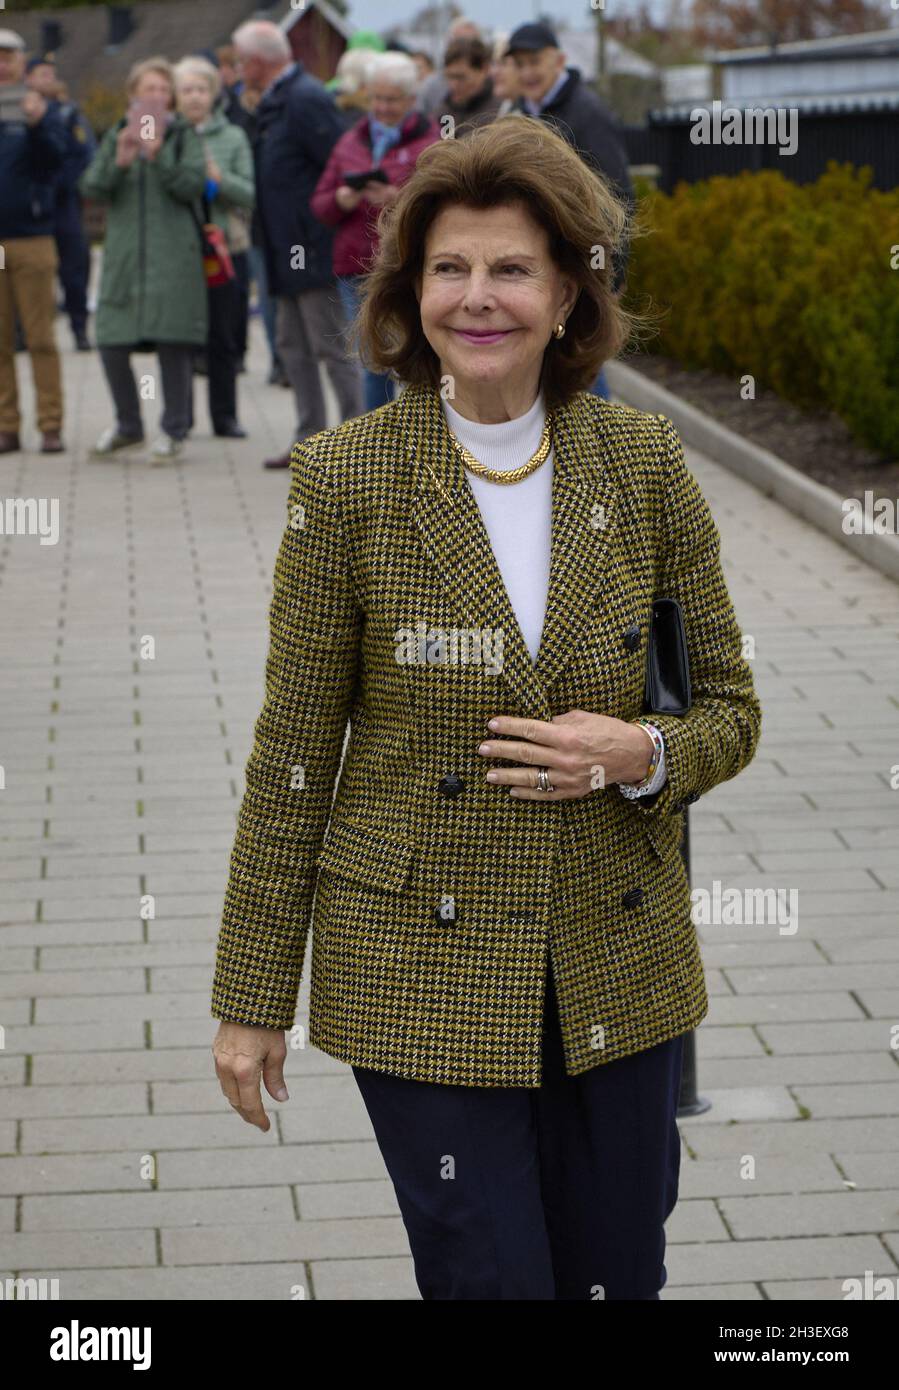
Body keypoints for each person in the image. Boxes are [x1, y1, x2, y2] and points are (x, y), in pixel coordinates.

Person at [210, 119, 762, 1301]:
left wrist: (640, 751)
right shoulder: (344, 479)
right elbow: (293, 758)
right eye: (448, 268)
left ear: (568, 292)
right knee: (489, 1278)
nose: (477, 298)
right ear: (411, 292)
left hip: (615, 966)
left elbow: (727, 705)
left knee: (617, 1275)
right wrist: (252, 999)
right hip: (421, 966)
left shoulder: (644, 461)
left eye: (510, 268)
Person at [232, 20, 363, 470]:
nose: (235, 68)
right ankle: (310, 437)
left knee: (329, 344)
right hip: (281, 246)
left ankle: (354, 442)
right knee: (291, 344)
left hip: (311, 247)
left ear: (256, 61)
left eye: (239, 59)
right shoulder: (273, 101)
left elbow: (340, 163)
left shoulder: (305, 98)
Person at [80, 56, 208, 462]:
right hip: (125, 259)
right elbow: (91, 187)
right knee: (111, 340)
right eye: (148, 89)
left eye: (162, 90)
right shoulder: (118, 132)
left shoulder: (184, 135)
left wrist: (158, 155)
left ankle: (173, 429)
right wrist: (118, 163)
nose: (156, 96)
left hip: (173, 258)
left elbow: (193, 186)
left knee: (174, 342)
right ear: (133, 94)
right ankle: (128, 425)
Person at [506, 21, 636, 402]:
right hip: (542, 260)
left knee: (578, 361)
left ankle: (601, 446)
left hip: (581, 262)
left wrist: (614, 272)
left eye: (535, 61)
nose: (527, 72)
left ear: (559, 60)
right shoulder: (521, 111)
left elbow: (618, 195)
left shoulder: (586, 112)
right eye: (519, 63)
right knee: (555, 362)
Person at [311, 52, 439, 412]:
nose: (381, 107)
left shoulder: (431, 144)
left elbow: (444, 209)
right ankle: (373, 447)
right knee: (373, 362)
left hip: (411, 266)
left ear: (412, 101)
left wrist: (398, 200)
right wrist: (341, 198)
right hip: (357, 269)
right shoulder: (349, 141)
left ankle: (424, 439)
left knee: (419, 360)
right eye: (376, 98)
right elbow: (320, 205)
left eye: (391, 100)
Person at [174, 56, 254, 438]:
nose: (194, 97)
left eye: (201, 89)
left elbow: (251, 194)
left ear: (213, 94)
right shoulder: (170, 136)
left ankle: (225, 417)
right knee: (182, 337)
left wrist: (220, 181)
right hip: (181, 251)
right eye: (186, 90)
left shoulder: (232, 136)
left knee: (223, 336)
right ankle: (180, 418)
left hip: (225, 248)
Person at [0, 28, 66, 455]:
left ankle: (50, 425)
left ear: (22, 62)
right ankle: (6, 425)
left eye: (8, 57)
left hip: (33, 237)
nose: (2, 65)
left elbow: (58, 162)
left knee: (41, 338)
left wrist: (39, 124)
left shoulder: (42, 109)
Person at [25, 54, 96, 352]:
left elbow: (83, 154)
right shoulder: (14, 112)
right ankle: (22, 333)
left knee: (75, 268)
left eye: (51, 74)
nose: (48, 79)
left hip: (65, 203)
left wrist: (63, 183)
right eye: (42, 74)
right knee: (28, 273)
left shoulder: (67, 113)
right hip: (30, 206)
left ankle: (79, 327)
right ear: (28, 78)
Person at [415, 16, 483, 118]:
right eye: (458, 42)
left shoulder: (498, 94)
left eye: (472, 44)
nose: (454, 85)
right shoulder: (431, 87)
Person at [437, 35, 502, 135]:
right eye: (450, 77)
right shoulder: (443, 113)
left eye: (461, 77)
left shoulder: (501, 113)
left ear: (484, 69)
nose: (453, 85)